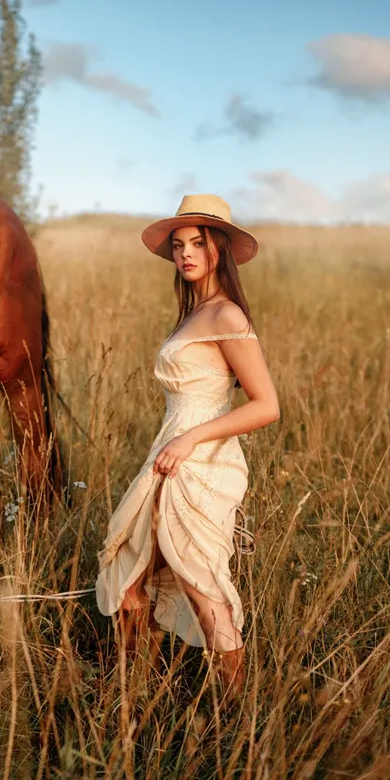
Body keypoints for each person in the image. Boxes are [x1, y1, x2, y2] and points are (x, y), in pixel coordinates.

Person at [94, 193, 280, 697]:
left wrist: (191, 438)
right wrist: (177, 441)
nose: (186, 254)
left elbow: (267, 405)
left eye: (198, 243)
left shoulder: (226, 316)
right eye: (178, 246)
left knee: (199, 581)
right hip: (172, 450)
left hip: (199, 457)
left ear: (220, 247)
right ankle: (136, 693)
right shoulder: (195, 313)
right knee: (129, 574)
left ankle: (236, 706)